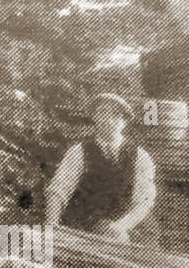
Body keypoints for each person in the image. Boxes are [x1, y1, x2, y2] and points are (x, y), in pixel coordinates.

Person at [45, 91, 156, 244]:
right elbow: (58, 191)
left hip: (125, 228)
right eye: (103, 114)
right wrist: (52, 227)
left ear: (124, 121)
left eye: (115, 115)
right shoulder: (79, 151)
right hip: (82, 229)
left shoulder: (141, 157)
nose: (108, 120)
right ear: (95, 118)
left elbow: (143, 201)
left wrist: (120, 227)